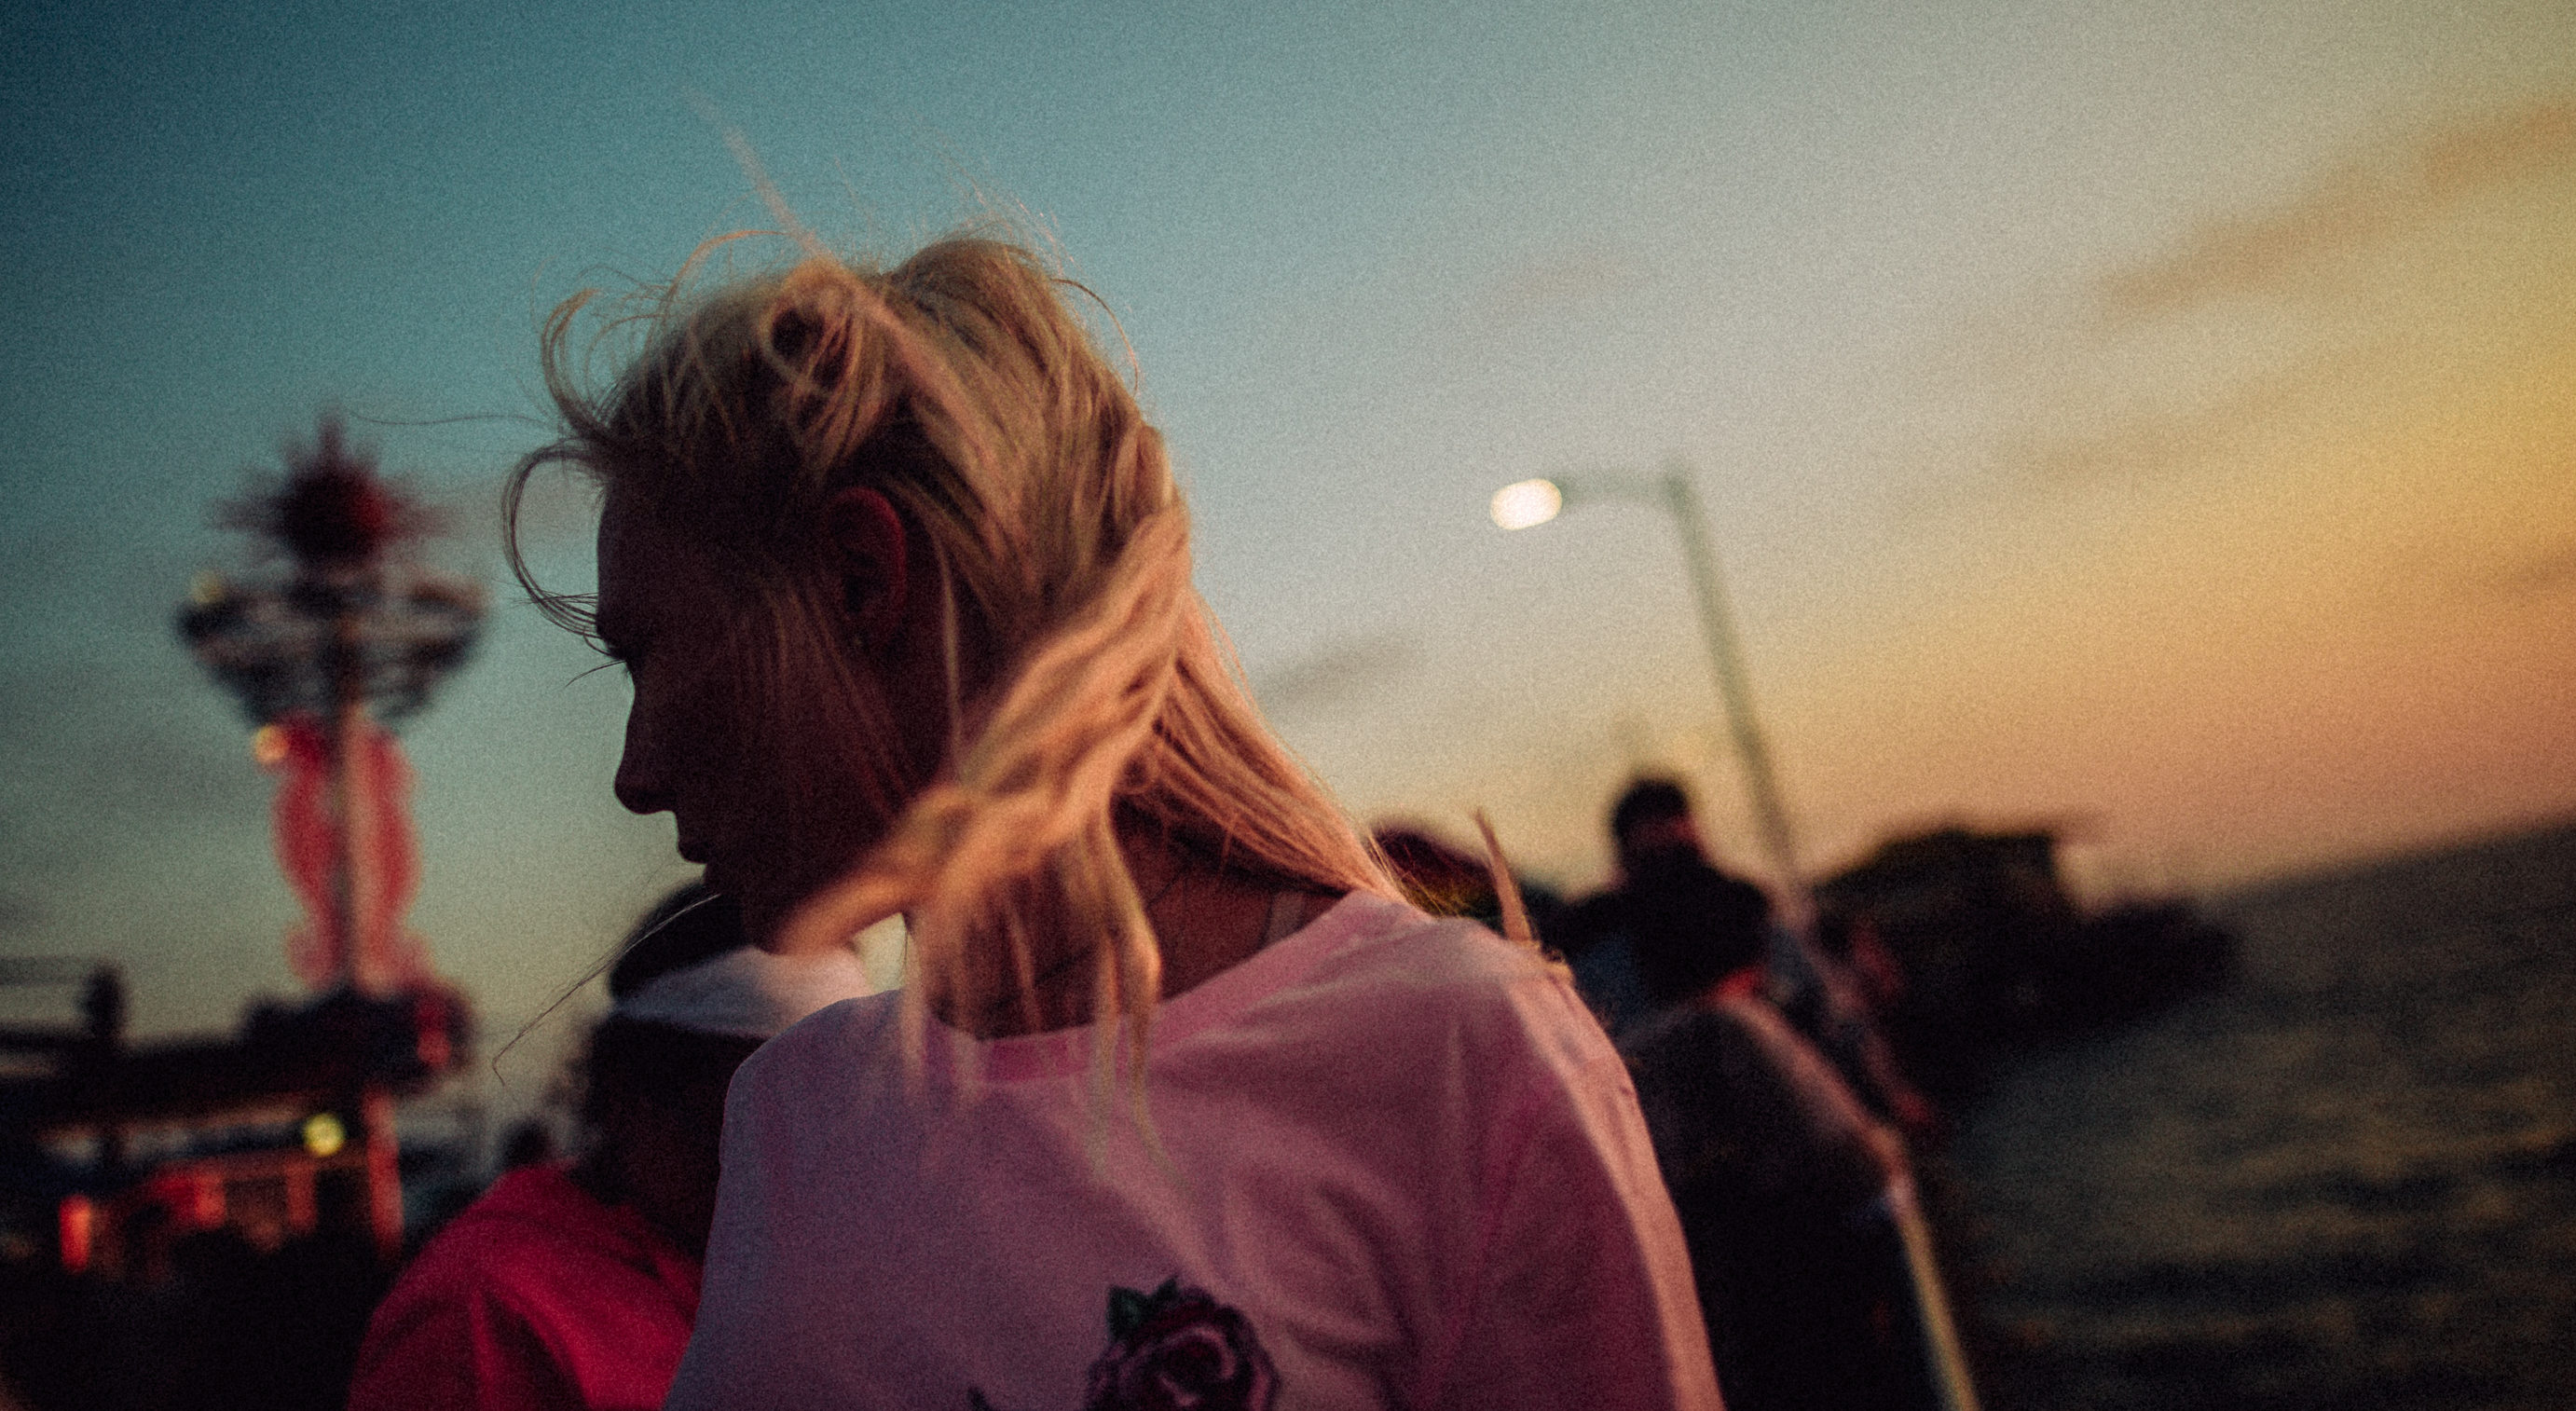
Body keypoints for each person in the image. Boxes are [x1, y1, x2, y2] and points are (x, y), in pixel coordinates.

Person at [505, 229, 1720, 1410]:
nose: (634, 773)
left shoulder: (1456, 1056)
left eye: (644, 655)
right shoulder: (791, 1113)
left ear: (861, 578)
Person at [347, 885, 872, 1411]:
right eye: (764, 1122)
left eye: (846, 1117)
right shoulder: (488, 1317)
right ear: (625, 1093)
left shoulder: (800, 1282)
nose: (811, 1164)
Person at [1618, 868, 1925, 1411]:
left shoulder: (1632, 1058)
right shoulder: (1743, 1027)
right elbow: (1859, 1165)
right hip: (1806, 1301)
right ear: (1753, 947)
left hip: (1718, 1325)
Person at [1557, 776, 1935, 1135]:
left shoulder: (1747, 911)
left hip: (1797, 1118)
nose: (1675, 878)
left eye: (1681, 855)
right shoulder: (1598, 946)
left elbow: (1826, 1010)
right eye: (1657, 858)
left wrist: (1893, 1095)